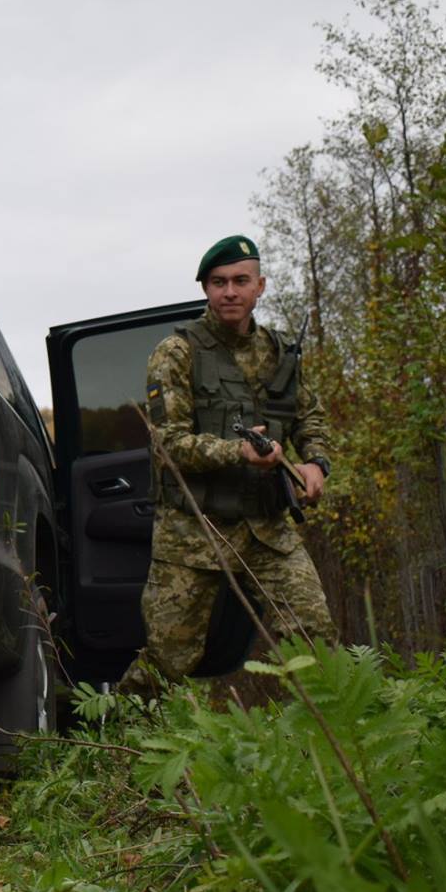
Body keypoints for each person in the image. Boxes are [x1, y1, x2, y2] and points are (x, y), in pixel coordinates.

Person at [130, 235, 336, 682]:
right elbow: (168, 445)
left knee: (315, 639)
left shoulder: (280, 353)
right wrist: (237, 452)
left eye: (240, 281)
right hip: (193, 532)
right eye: (218, 282)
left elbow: (310, 419)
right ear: (205, 288)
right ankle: (120, 750)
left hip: (267, 529)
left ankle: (323, 744)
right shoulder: (176, 354)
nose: (229, 292)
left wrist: (315, 463)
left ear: (259, 286)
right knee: (168, 663)